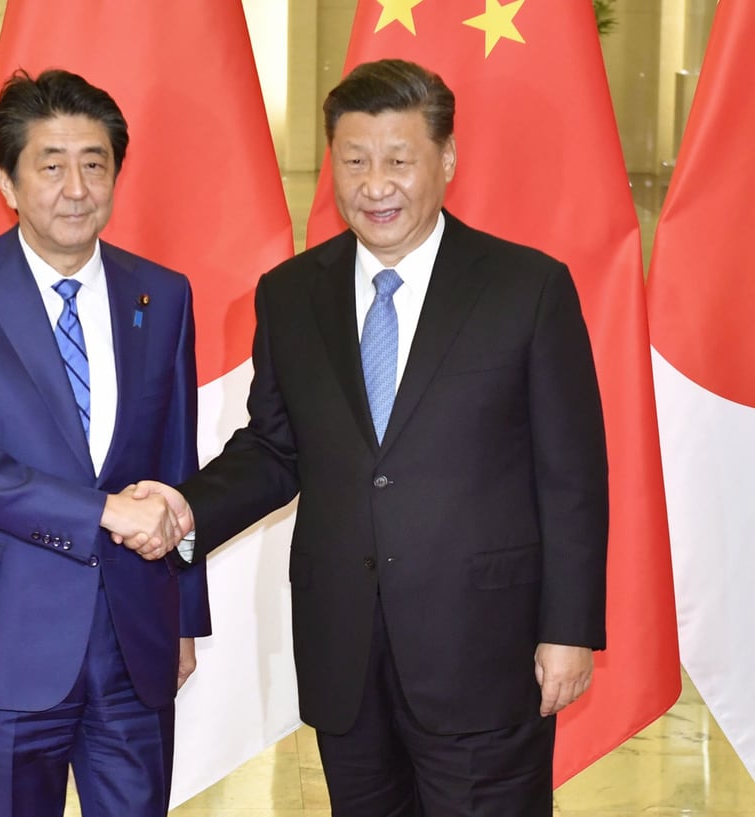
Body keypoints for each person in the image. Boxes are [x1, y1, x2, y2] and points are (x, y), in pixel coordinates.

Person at [129, 59, 608, 816]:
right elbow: (274, 447)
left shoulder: (527, 287)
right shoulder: (291, 292)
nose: (375, 184)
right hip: (344, 648)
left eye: (398, 160)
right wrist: (185, 509)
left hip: (483, 647)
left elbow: (573, 474)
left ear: (446, 160)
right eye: (354, 161)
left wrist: (570, 628)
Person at [0, 68, 209, 817]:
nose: (76, 187)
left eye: (94, 163)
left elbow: (176, 464)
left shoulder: (161, 294)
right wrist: (102, 511)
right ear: (8, 182)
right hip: (5, 646)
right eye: (51, 164)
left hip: (134, 644)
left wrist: (183, 617)